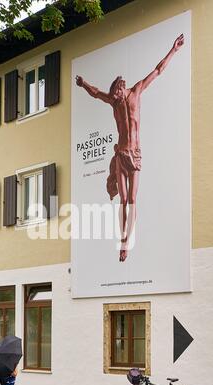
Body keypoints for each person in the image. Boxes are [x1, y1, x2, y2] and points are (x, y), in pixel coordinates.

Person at [76, 34, 184, 262]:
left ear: (121, 87)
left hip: (135, 153)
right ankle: (122, 242)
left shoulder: (136, 91)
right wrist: (83, 83)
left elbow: (158, 70)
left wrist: (173, 50)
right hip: (121, 154)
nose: (114, 98)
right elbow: (97, 93)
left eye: (116, 94)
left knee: (133, 200)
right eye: (113, 95)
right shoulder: (114, 101)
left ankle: (127, 241)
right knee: (124, 201)